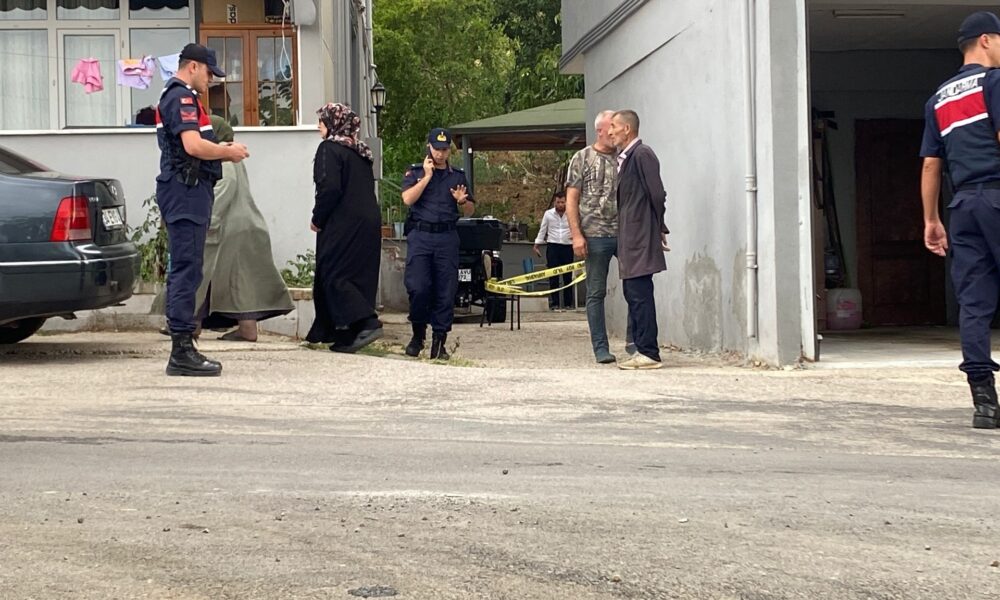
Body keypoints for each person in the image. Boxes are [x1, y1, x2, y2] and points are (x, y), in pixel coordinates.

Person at [920, 11, 1000, 429]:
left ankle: (984, 404)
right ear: (986, 40)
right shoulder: (995, 83)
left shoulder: (939, 98)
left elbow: (931, 165)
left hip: (963, 206)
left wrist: (931, 220)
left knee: (973, 303)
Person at [155, 43, 249, 377]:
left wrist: (220, 147)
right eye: (209, 73)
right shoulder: (181, 97)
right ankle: (181, 351)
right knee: (187, 270)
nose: (212, 80)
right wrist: (227, 153)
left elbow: (192, 144)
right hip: (185, 192)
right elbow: (192, 146)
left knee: (189, 268)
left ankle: (184, 346)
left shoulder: (184, 97)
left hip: (189, 191)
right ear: (192, 66)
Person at [194, 115, 294, 342]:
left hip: (229, 227)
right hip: (246, 225)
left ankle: (189, 325)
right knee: (241, 282)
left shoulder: (223, 157)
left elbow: (226, 184)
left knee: (204, 273)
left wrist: (208, 218)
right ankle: (247, 330)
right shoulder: (231, 156)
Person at [305, 103, 383, 353]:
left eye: (322, 121)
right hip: (368, 222)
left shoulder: (329, 149)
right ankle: (346, 334)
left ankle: (366, 322)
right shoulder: (360, 152)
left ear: (333, 124)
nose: (318, 126)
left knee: (333, 273)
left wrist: (317, 219)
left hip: (344, 221)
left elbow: (329, 187)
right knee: (355, 274)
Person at [401, 128, 475, 360]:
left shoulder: (457, 176)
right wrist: (426, 177)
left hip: (446, 238)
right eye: (436, 149)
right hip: (421, 237)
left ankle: (439, 342)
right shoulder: (416, 172)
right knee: (418, 287)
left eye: (444, 150)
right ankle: (418, 335)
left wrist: (462, 202)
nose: (440, 154)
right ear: (429, 147)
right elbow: (407, 199)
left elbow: (470, 210)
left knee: (445, 291)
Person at [608, 109, 668, 371]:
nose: (610, 132)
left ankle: (649, 352)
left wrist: (658, 226)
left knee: (640, 293)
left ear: (627, 129)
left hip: (640, 236)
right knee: (633, 292)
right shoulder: (626, 158)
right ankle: (642, 349)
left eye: (614, 126)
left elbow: (657, 194)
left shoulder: (642, 154)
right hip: (632, 236)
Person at [566, 109, 625, 363]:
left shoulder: (624, 156)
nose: (613, 131)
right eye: (610, 127)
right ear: (600, 130)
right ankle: (600, 347)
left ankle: (635, 342)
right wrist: (576, 235)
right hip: (595, 235)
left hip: (624, 233)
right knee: (596, 292)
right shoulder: (582, 158)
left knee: (635, 288)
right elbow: (571, 198)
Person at [533, 190, 575, 311]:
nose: (560, 205)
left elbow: (576, 227)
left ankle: (568, 303)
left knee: (567, 276)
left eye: (562, 202)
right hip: (553, 246)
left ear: (566, 202)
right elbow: (543, 229)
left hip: (567, 246)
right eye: (558, 202)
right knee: (553, 275)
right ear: (554, 203)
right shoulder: (548, 214)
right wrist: (537, 245)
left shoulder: (572, 213)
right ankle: (555, 303)